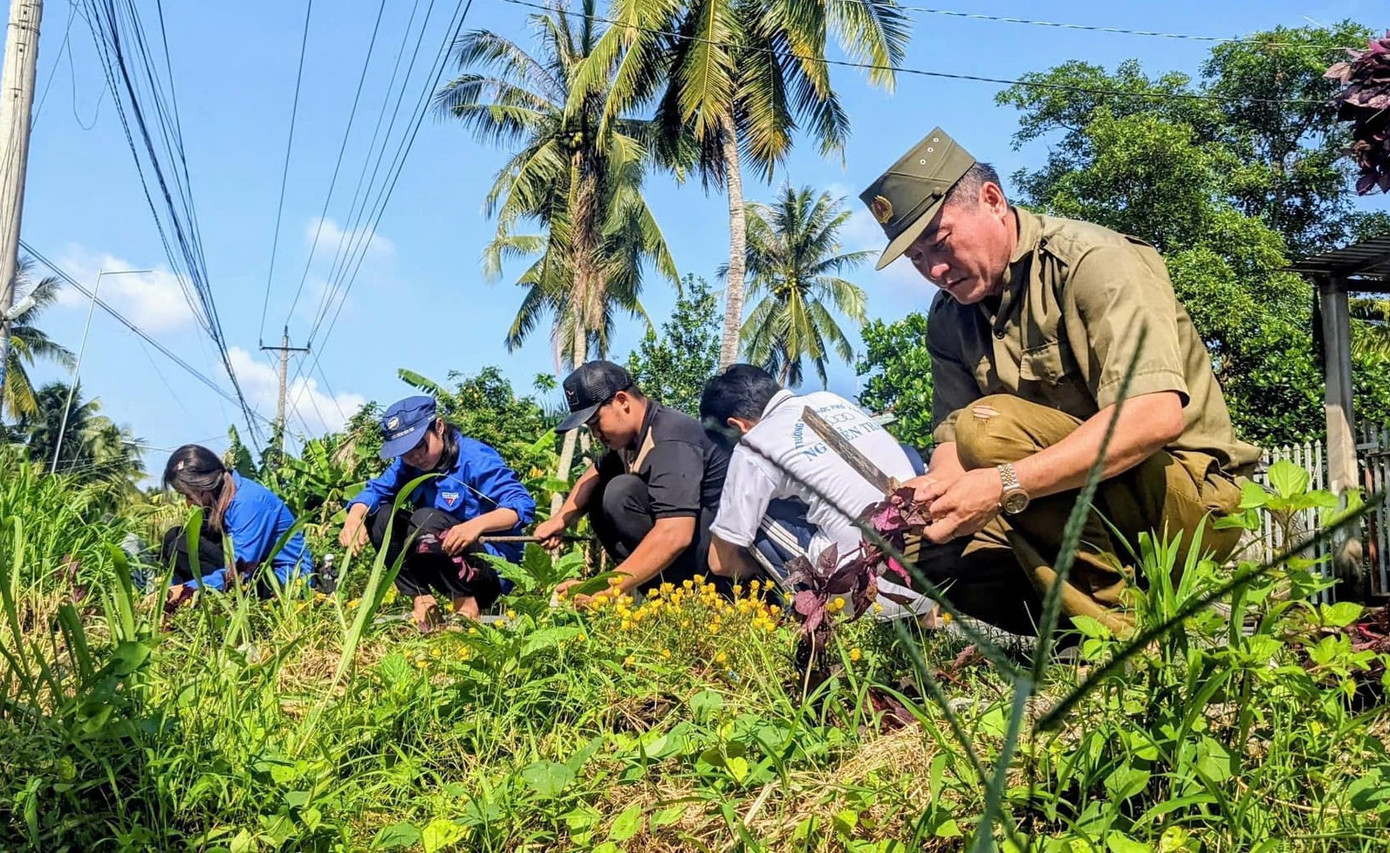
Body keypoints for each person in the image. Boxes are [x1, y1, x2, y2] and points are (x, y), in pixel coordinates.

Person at [857, 127, 1262, 635]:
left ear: (993, 200)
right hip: (1070, 505)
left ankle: (1124, 641)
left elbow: (1154, 416)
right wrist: (927, 500)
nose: (935, 269)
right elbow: (951, 449)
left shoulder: (1093, 262)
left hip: (1189, 505)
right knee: (916, 544)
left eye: (940, 243)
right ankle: (1076, 631)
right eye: (917, 259)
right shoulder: (948, 318)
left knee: (990, 427)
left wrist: (1004, 485)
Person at [699, 364, 934, 620]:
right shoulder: (829, 400)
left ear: (737, 425)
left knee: (751, 519)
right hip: (929, 578)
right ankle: (923, 618)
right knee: (904, 457)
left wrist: (759, 575)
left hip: (870, 596)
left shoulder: (753, 447)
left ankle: (815, 616)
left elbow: (719, 562)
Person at [535, 361, 730, 600]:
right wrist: (562, 519)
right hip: (692, 552)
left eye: (596, 423)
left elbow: (675, 534)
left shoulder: (670, 440)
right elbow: (594, 473)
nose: (596, 434)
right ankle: (659, 595)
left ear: (622, 401)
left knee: (619, 491)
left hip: (722, 565)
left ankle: (681, 597)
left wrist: (605, 588)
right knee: (599, 493)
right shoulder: (629, 437)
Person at [339, 396, 536, 628]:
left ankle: (467, 607)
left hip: (489, 569)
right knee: (380, 518)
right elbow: (375, 492)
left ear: (439, 427)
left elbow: (521, 505)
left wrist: (475, 526)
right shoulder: (409, 465)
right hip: (441, 562)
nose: (415, 457)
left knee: (426, 519)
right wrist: (354, 518)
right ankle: (423, 603)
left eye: (420, 446)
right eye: (405, 452)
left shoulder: (475, 458)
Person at [160, 445, 312, 608]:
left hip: (280, 578)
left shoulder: (248, 503)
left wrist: (188, 589)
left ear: (205, 485)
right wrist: (170, 591)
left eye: (189, 495)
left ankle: (190, 598)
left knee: (182, 547)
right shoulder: (220, 500)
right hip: (250, 567)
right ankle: (177, 603)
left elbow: (242, 570)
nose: (188, 503)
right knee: (175, 539)